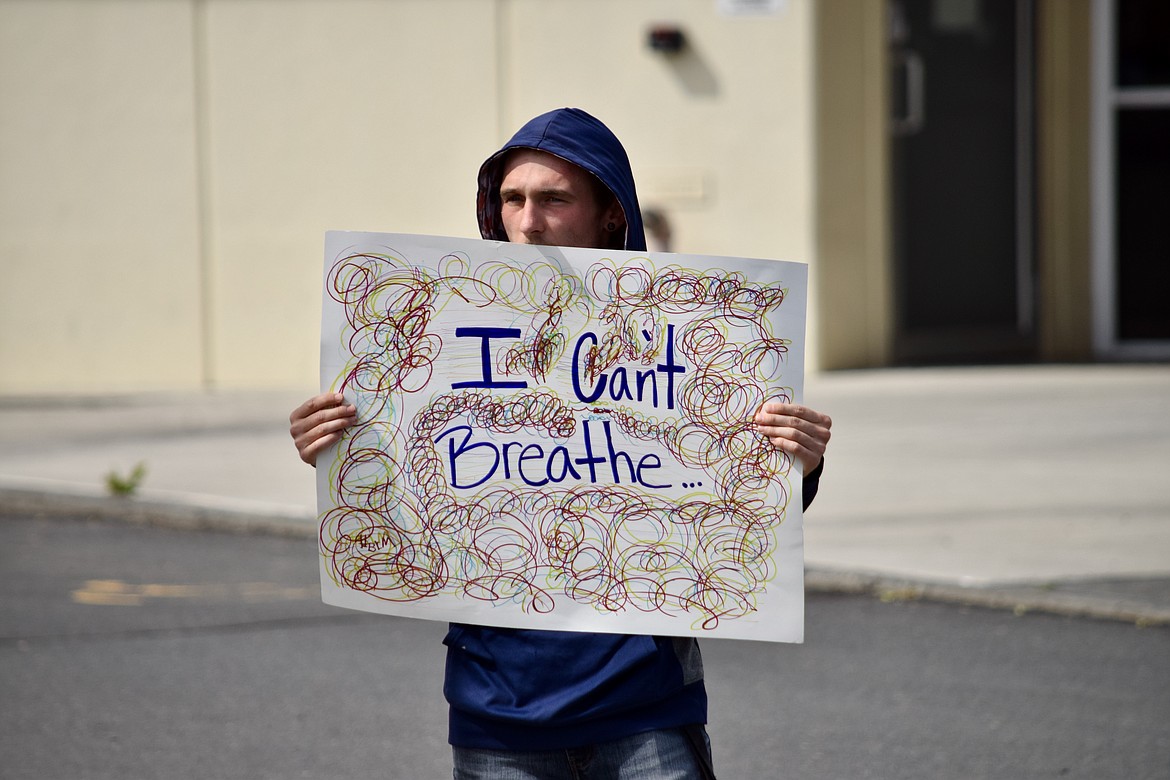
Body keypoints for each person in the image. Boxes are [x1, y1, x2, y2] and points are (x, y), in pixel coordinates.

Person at [289, 108, 832, 779]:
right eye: (512, 199)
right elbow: (397, 496)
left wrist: (797, 461)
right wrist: (336, 446)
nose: (528, 221)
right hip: (499, 716)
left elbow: (726, 499)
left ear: (610, 213)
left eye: (553, 199)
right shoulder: (444, 325)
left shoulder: (683, 331)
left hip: (645, 711)